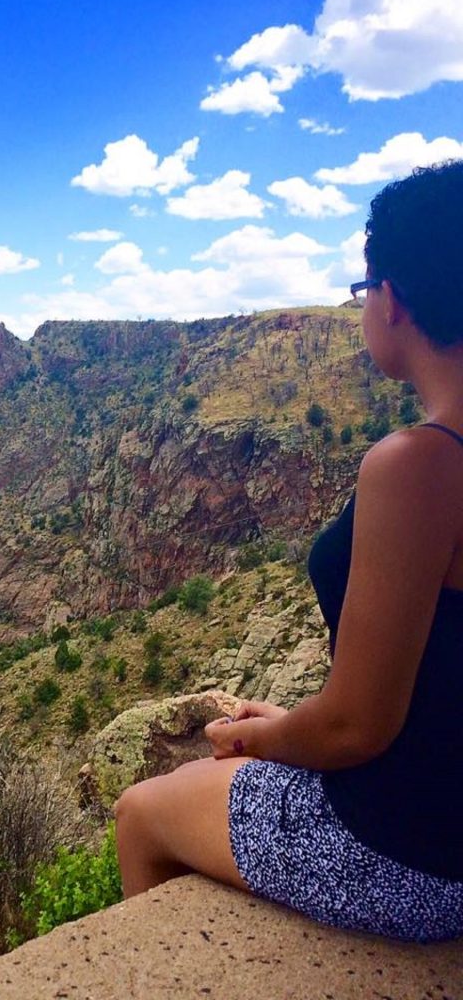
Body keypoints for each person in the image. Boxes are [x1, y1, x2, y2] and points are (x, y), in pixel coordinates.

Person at [113, 159, 463, 943]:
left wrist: (259, 740)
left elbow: (357, 729)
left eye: (362, 288)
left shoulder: (419, 464)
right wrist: (301, 729)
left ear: (394, 300)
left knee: (140, 814)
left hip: (410, 856)